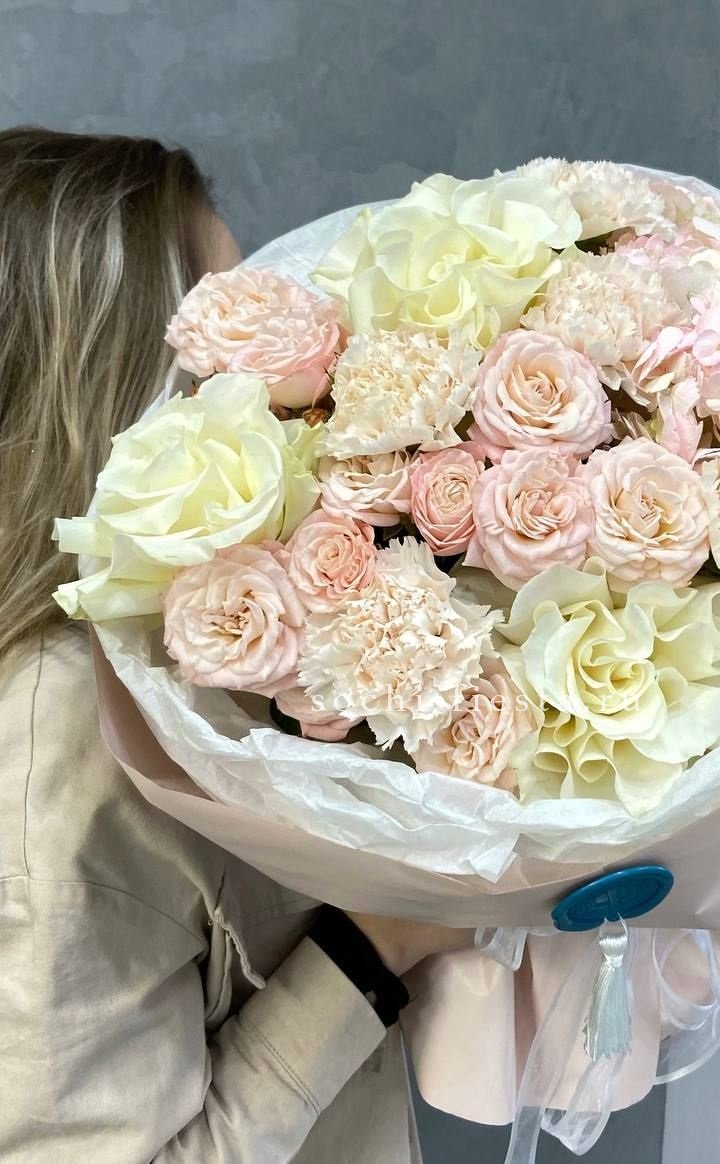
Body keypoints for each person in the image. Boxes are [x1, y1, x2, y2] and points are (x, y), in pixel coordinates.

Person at [0, 127, 468, 1164]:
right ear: (118, 385)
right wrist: (373, 947)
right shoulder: (58, 732)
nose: (289, 378)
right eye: (235, 340)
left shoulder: (174, 634)